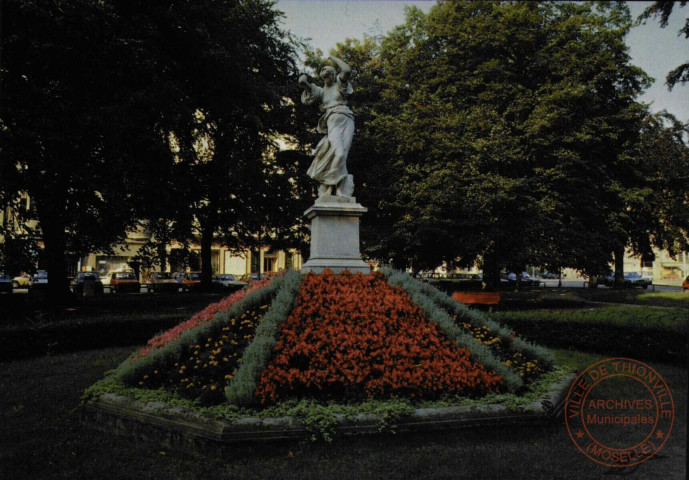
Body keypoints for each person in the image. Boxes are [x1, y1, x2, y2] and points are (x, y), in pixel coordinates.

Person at [298, 56, 355, 197]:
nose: (328, 78)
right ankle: (329, 182)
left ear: (335, 75)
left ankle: (334, 187)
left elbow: (347, 70)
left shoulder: (340, 85)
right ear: (323, 78)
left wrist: (333, 58)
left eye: (331, 75)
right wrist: (304, 81)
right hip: (332, 122)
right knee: (339, 153)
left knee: (343, 156)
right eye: (326, 76)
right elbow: (304, 84)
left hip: (348, 119)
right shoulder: (320, 92)